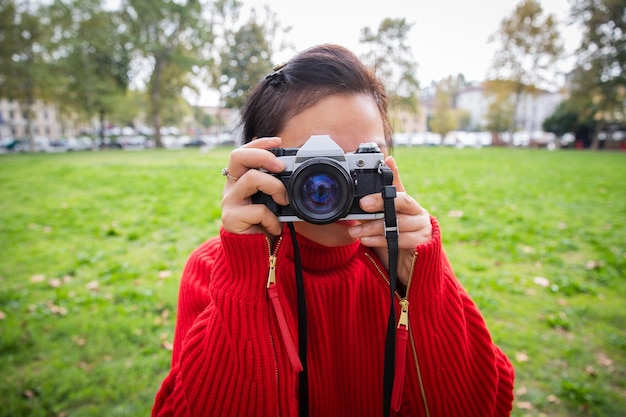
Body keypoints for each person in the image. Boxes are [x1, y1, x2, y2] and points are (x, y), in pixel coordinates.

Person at [152, 44, 515, 417]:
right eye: (314, 165)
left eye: (362, 159)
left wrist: (423, 287)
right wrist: (247, 272)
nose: (333, 186)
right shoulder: (213, 269)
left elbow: (484, 407)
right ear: (260, 165)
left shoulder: (406, 257)